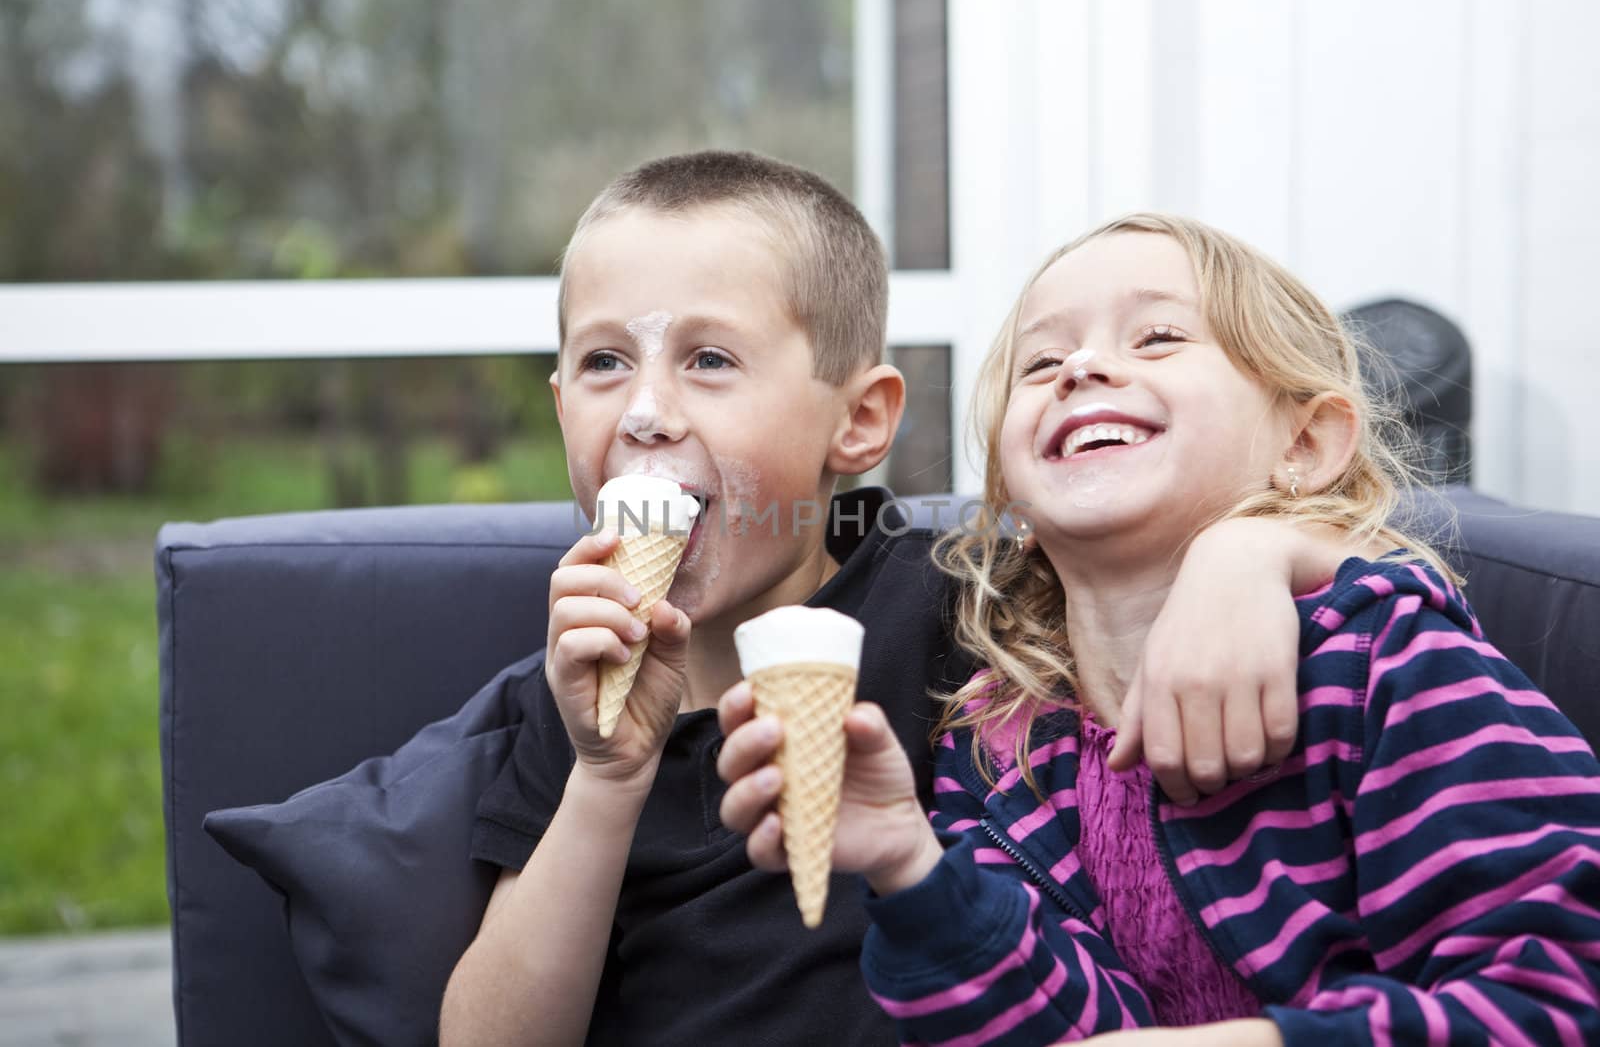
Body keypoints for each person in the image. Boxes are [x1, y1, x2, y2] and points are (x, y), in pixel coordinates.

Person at [440, 158, 1352, 1047]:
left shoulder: (967, 602)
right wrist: (606, 778)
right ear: (562, 409)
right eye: (604, 361)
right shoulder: (571, 687)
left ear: (860, 421)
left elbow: (1168, 542)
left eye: (709, 359)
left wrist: (1250, 552)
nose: (644, 410)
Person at [718, 212, 1600, 1045]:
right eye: (1041, 362)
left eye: (1158, 337)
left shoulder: (1391, 663)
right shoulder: (1004, 739)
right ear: (1006, 487)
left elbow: (1555, 995)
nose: (1080, 370)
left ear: (1305, 443)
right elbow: (1052, 1026)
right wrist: (910, 865)